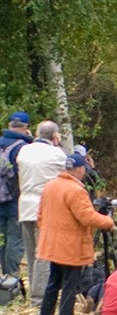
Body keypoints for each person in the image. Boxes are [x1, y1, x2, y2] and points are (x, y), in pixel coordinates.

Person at [37, 151, 114, 315]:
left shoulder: (51, 185)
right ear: (80, 169)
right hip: (70, 246)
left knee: (53, 283)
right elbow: (86, 217)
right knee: (70, 287)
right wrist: (108, 221)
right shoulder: (76, 190)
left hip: (52, 244)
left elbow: (40, 214)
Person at [16, 120, 66, 301]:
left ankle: (34, 292)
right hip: (44, 208)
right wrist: (58, 145)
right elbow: (69, 168)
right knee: (44, 255)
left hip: (25, 206)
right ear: (55, 136)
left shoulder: (24, 151)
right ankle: (40, 297)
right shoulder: (56, 154)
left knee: (31, 254)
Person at [0, 112, 33, 278]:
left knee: (3, 240)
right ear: (26, 127)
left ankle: (4, 278)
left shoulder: (1, 143)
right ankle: (12, 278)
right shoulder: (22, 147)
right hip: (14, 201)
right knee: (15, 240)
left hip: (0, 200)